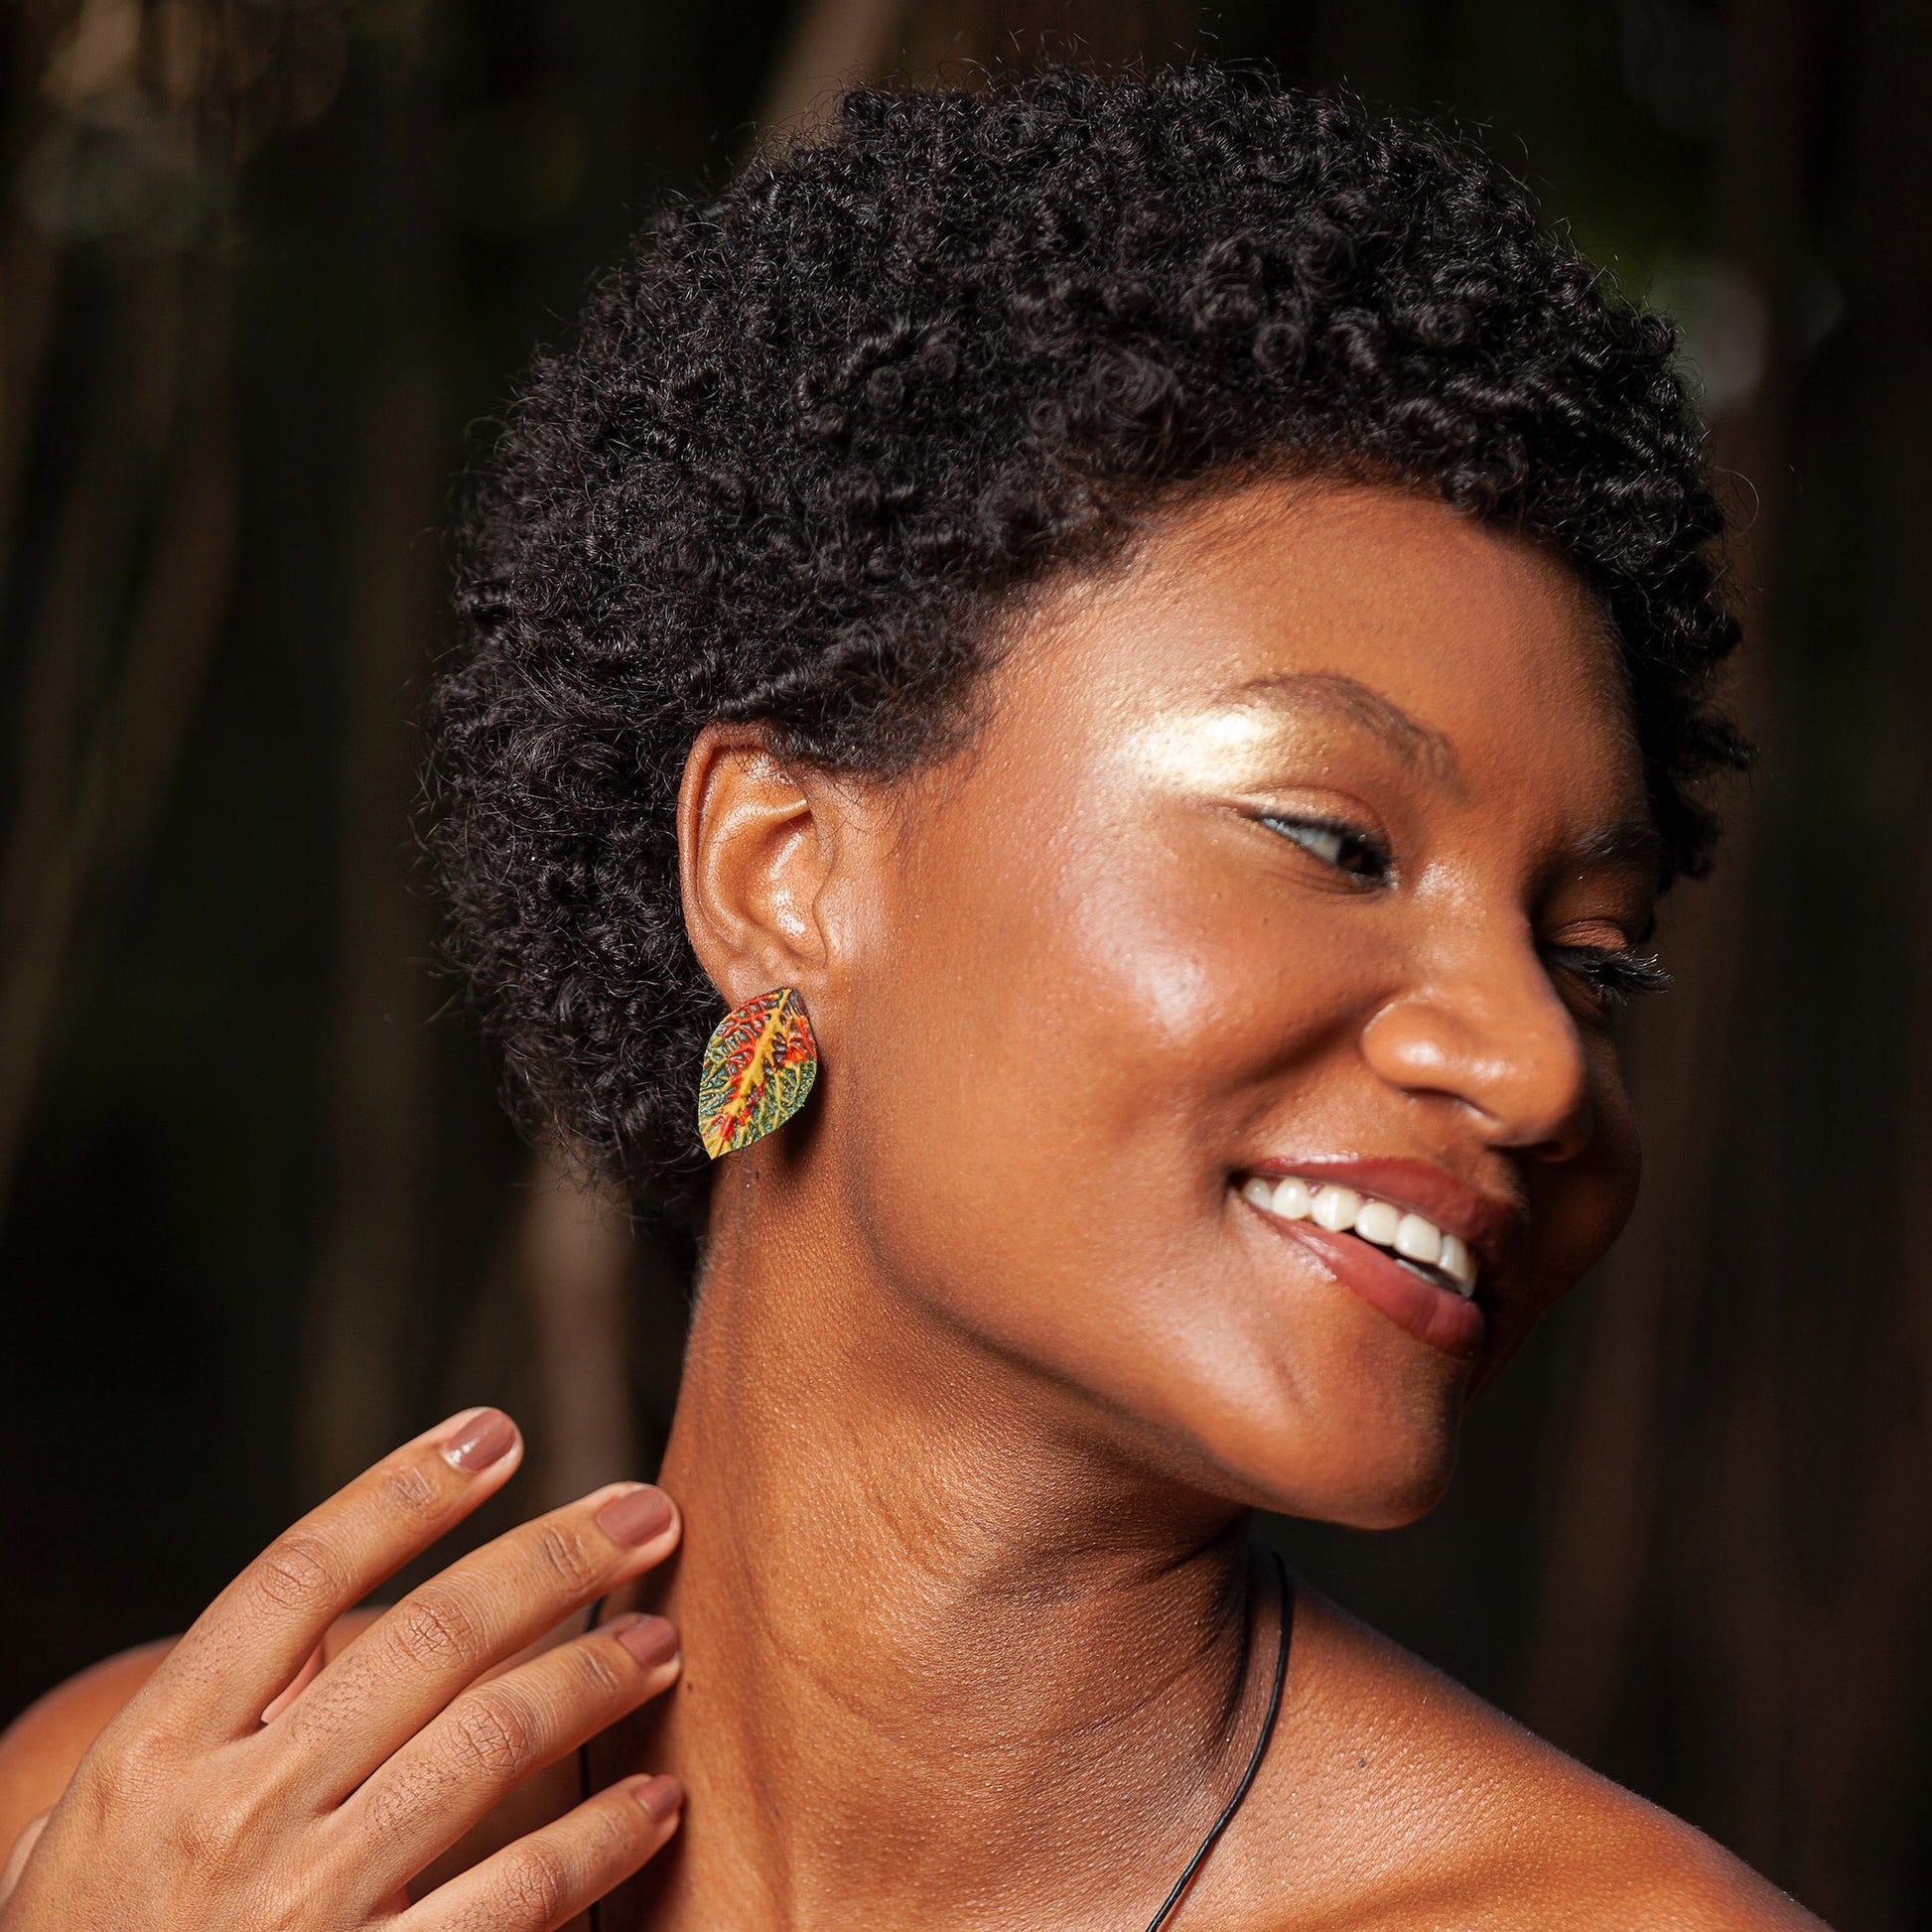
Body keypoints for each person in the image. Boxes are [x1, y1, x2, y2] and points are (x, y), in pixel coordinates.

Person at [0, 67, 1826, 1931]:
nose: (1532, 1065)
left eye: (1590, 962)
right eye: (1334, 842)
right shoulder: (153, 1826)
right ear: (780, 874)